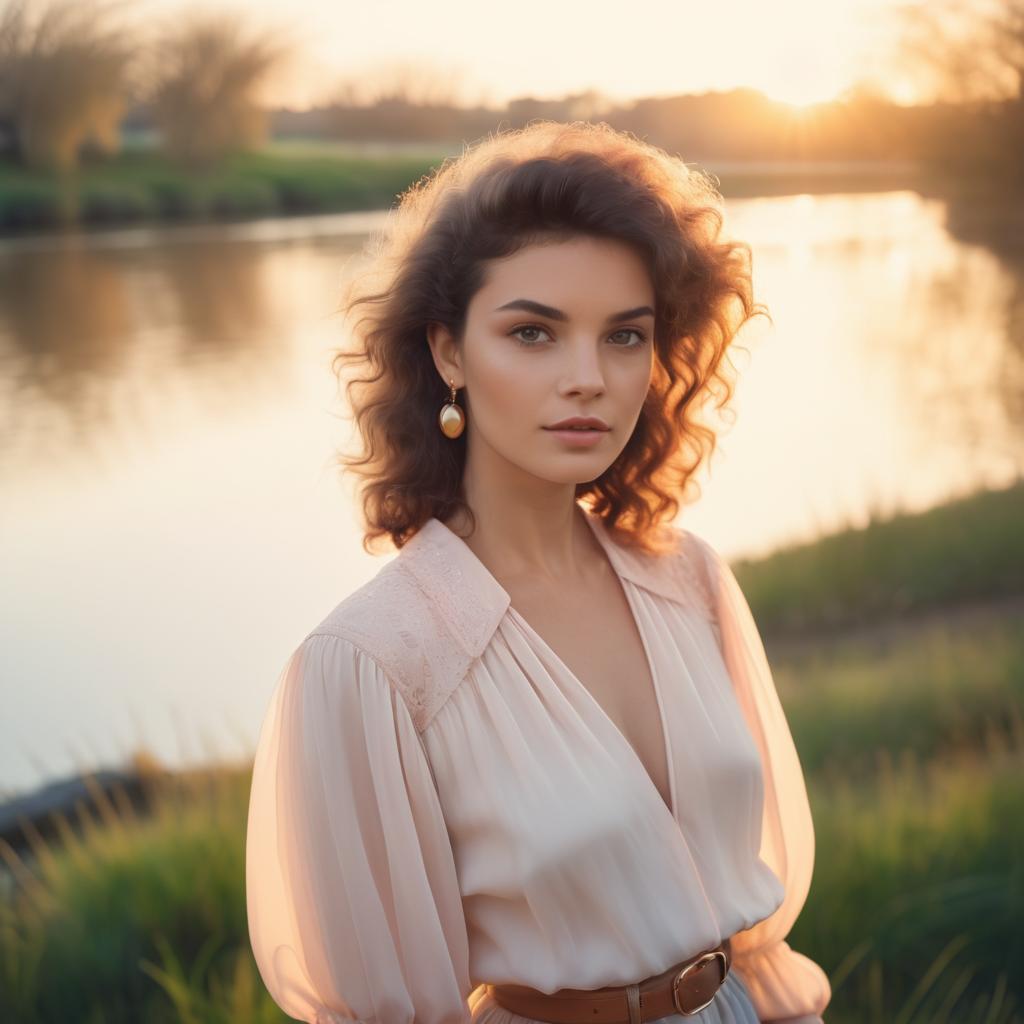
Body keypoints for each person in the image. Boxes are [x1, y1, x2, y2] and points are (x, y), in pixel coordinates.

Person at [245, 120, 832, 1024]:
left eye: (625, 337)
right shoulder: (371, 666)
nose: (588, 378)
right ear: (448, 351)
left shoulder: (691, 583)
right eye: (533, 334)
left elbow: (758, 939)